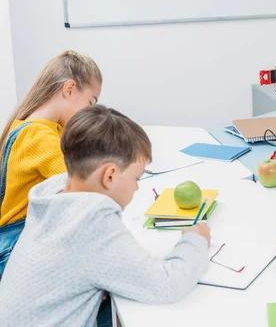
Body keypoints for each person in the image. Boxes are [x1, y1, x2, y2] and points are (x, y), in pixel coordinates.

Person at [0, 105, 212, 326]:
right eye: (136, 179)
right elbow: (166, 284)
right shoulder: (90, 222)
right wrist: (195, 239)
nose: (136, 189)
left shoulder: (52, 198)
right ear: (110, 175)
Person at [0, 50, 102, 275]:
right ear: (69, 89)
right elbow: (82, 186)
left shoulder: (40, 128)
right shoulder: (38, 136)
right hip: (16, 247)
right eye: (90, 102)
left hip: (21, 238)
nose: (90, 111)